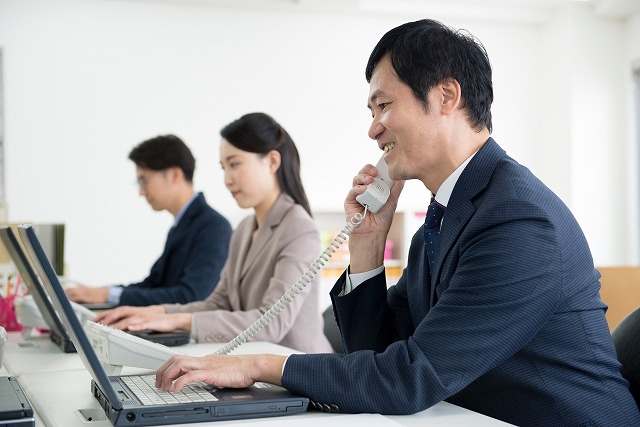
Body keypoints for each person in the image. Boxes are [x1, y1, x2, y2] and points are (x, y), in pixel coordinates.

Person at [152, 20, 640, 426]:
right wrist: (367, 243)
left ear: (446, 96)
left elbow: (410, 377)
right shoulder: (447, 211)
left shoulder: (519, 221)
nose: (372, 128)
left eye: (384, 105)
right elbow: (378, 350)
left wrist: (258, 365)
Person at [95, 113, 333, 354]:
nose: (227, 179)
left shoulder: (300, 229)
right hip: (253, 366)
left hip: (300, 372)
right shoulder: (243, 229)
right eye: (223, 168)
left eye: (235, 164)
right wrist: (155, 313)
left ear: (272, 162)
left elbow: (271, 323)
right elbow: (219, 303)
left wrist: (178, 321)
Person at [65, 135, 232, 307]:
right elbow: (153, 284)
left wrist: (109, 294)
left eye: (144, 180)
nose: (141, 192)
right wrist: (102, 292)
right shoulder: (182, 226)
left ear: (174, 175)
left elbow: (191, 296)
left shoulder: (213, 227)